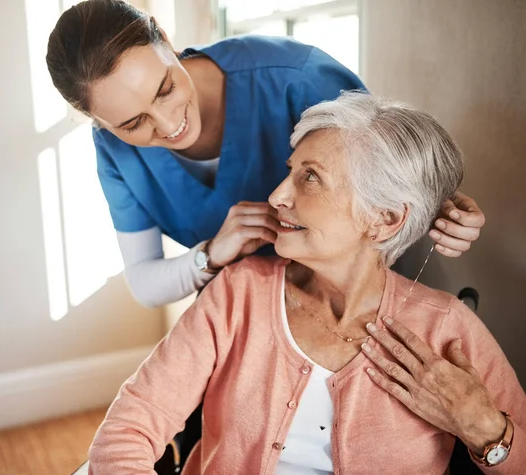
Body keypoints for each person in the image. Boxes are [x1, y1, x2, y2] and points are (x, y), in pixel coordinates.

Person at [86, 92, 525, 475]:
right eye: (291, 170)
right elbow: (127, 430)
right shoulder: (238, 293)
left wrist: (485, 428)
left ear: (384, 220)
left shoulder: (446, 326)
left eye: (310, 177)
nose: (277, 195)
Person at [46, 0, 486, 309]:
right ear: (100, 123)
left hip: (357, 304)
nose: (167, 125)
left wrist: (436, 206)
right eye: (132, 123)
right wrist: (212, 253)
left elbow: (389, 169)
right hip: (243, 318)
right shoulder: (114, 152)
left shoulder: (297, 79)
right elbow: (144, 282)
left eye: (164, 89)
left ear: (164, 36)